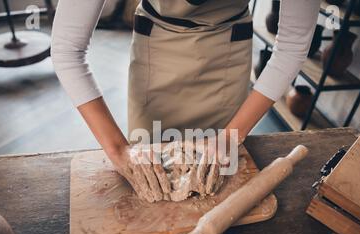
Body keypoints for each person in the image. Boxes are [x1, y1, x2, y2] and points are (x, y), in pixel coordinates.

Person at [51, 0, 320, 201]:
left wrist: (229, 136)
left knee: (217, 183)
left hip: (226, 50)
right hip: (157, 46)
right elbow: (67, 49)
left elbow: (292, 46)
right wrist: (118, 150)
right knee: (152, 179)